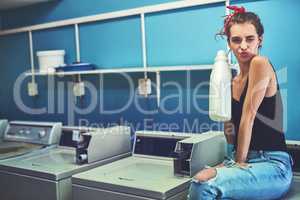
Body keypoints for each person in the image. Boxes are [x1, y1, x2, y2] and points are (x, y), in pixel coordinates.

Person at [188, 5, 293, 200]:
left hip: (271, 164)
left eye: (249, 39)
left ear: (259, 40)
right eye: (236, 40)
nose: (243, 46)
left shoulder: (260, 63)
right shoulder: (230, 79)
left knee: (202, 184)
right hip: (240, 155)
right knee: (198, 178)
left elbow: (248, 117)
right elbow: (228, 123)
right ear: (229, 43)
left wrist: (238, 163)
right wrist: (228, 161)